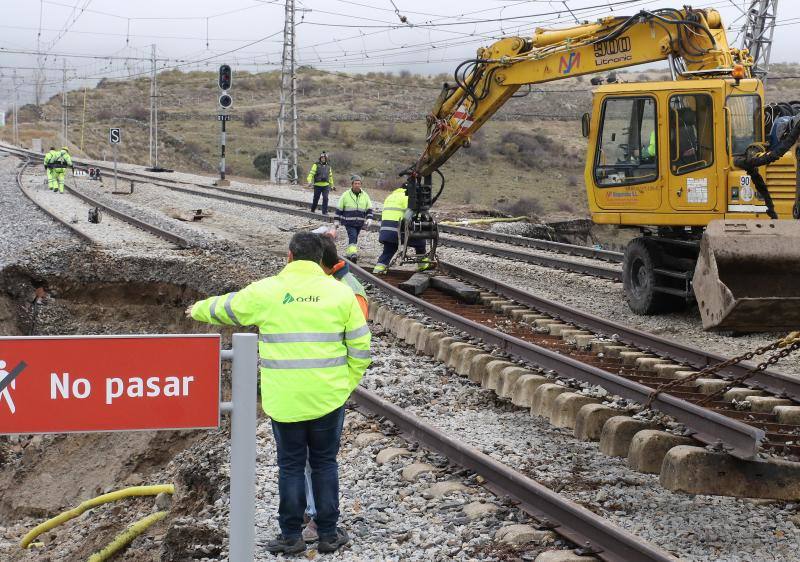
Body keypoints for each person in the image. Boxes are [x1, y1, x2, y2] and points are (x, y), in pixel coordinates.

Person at [186, 232, 371, 555]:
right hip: (328, 397)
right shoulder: (341, 294)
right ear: (319, 260)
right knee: (325, 463)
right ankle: (328, 533)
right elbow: (360, 347)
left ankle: (291, 536)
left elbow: (226, 307)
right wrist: (344, 385)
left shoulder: (267, 291)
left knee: (290, 465)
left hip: (284, 400)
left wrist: (196, 309)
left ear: (289, 256)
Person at [301, 231, 369, 543]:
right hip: (311, 382)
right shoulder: (332, 286)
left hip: (326, 387)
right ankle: (312, 514)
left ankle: (317, 520)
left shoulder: (347, 292)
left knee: (317, 459)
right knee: (309, 459)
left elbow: (357, 343)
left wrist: (343, 385)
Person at [372, 184, 430, 275]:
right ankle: (423, 265)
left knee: (388, 251)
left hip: (385, 231)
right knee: (420, 242)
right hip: (399, 230)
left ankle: (379, 268)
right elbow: (413, 215)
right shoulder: (408, 197)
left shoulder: (390, 197)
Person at [334, 174, 374, 262]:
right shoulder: (345, 195)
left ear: (361, 184)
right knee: (353, 236)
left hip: (360, 222)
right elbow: (339, 208)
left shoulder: (365, 195)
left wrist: (369, 218)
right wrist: (336, 220)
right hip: (349, 222)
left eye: (359, 183)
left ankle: (349, 253)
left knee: (354, 238)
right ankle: (353, 254)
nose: (357, 185)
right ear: (352, 184)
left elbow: (369, 208)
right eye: (355, 183)